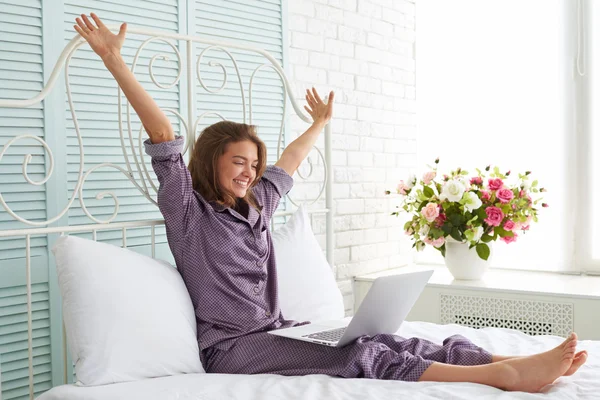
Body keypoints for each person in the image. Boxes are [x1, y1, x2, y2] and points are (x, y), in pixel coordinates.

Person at [74, 13, 588, 393]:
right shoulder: (188, 211)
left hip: (278, 332)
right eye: (238, 162)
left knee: (391, 338)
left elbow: (290, 162)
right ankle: (503, 375)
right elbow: (162, 134)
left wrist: (318, 124)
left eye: (253, 164)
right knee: (360, 353)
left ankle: (496, 359)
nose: (249, 172)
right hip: (231, 351)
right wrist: (113, 59)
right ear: (209, 162)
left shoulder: (258, 206)